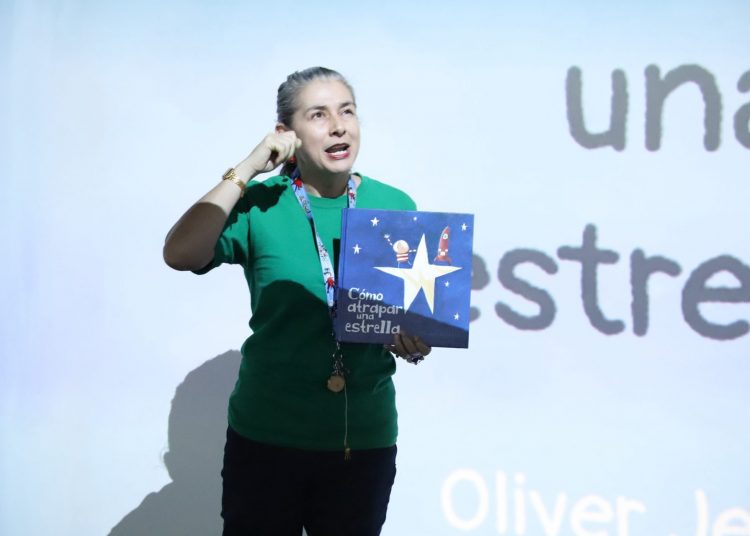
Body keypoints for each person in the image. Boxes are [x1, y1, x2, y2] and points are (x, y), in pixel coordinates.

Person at [163, 66, 431, 536]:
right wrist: (247, 168)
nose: (339, 126)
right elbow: (180, 253)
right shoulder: (260, 203)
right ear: (286, 134)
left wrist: (411, 338)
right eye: (318, 115)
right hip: (266, 439)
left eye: (347, 111)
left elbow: (408, 317)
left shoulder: (395, 205)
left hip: (362, 442)